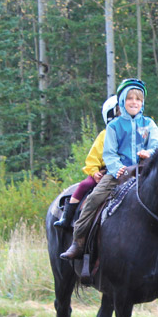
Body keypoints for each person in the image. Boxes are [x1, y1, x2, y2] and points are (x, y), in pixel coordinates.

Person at [60, 78, 158, 260]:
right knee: (93, 199)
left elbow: (156, 143)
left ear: (142, 103)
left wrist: (149, 152)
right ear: (122, 101)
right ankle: (78, 241)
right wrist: (117, 168)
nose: (134, 102)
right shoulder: (114, 127)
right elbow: (109, 153)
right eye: (130, 98)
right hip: (119, 175)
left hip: (145, 173)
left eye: (138, 99)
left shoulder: (149, 124)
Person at [53, 95, 119, 229]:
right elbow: (93, 158)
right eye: (120, 110)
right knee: (84, 185)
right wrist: (94, 172)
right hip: (104, 171)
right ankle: (67, 217)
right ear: (111, 114)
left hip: (127, 170)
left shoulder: (135, 133)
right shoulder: (104, 135)